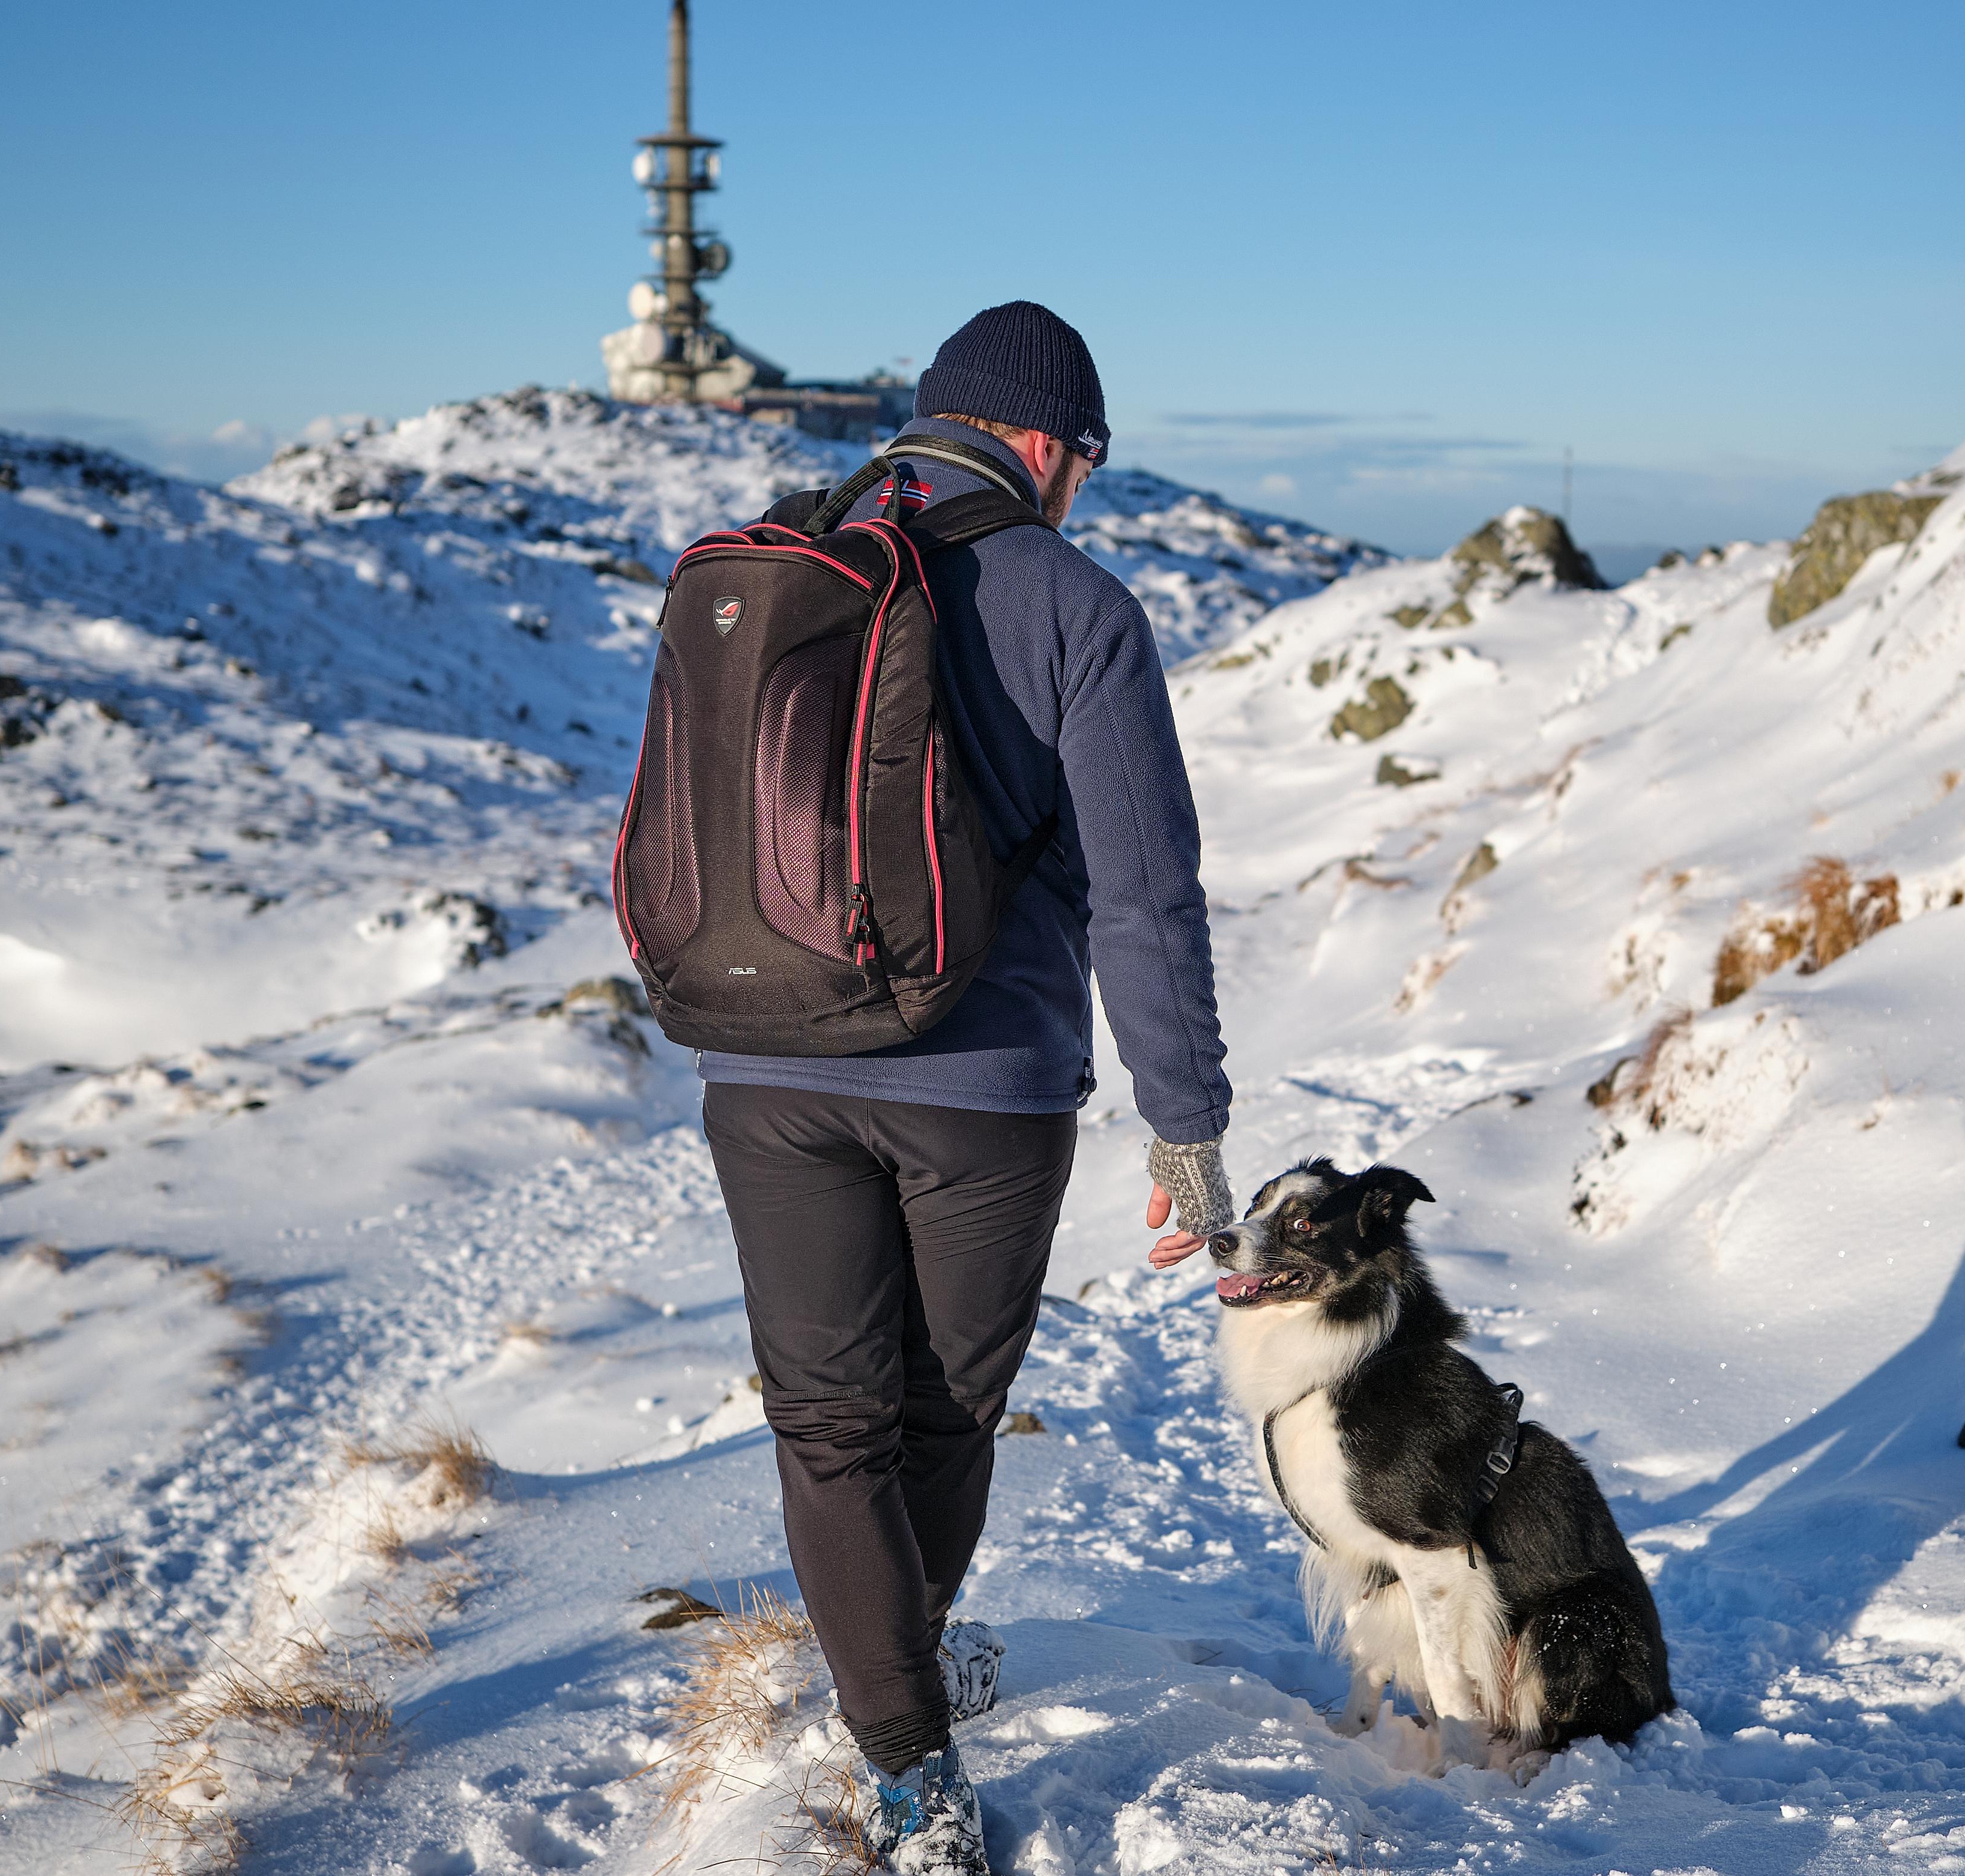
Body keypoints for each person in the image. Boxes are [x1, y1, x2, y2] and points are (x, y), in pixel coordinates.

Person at [693, 300, 1235, 1876]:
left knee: (827, 1429)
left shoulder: (783, 560)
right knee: (939, 1416)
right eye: (1088, 463)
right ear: (1049, 443)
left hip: (761, 1063)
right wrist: (1186, 1124)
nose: (1082, 492)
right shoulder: (1076, 603)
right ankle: (908, 1732)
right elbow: (1145, 895)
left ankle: (899, 1729)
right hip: (980, 1088)